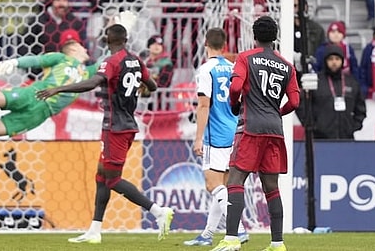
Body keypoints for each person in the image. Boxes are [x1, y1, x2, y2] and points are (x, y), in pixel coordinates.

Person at [36, 24, 175, 244]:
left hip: (115, 128)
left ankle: (158, 211)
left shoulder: (111, 62)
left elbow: (93, 83)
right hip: (126, 124)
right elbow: (153, 86)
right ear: (126, 39)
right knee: (101, 176)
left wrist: (59, 89)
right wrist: (134, 84)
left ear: (108, 40)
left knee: (112, 181)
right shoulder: (136, 61)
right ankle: (94, 230)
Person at [213, 16, 300, 251]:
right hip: (275, 130)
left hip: (251, 126)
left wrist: (234, 105)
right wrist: (276, 113)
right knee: (271, 186)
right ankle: (277, 243)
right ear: (275, 36)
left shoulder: (245, 57)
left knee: (235, 179)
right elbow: (294, 101)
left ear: (254, 35)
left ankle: (231, 238)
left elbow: (235, 88)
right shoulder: (287, 65)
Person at [0, 29, 96, 137]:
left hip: (40, 114)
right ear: (73, 48)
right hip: (33, 95)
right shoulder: (61, 58)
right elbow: (36, 60)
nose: (85, 49)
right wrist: (15, 62)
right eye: (82, 46)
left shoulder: (87, 72)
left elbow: (107, 60)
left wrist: (116, 31)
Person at [184, 28, 249, 246]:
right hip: (234, 132)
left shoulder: (206, 70)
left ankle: (238, 229)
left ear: (205, 45)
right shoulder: (232, 67)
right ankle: (208, 234)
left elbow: (203, 106)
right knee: (223, 185)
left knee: (213, 185)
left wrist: (198, 138)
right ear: (223, 46)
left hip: (216, 134)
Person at [299, 44, 366, 140]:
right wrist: (312, 125)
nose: (334, 62)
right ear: (325, 61)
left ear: (342, 61)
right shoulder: (316, 81)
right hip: (320, 139)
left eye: (337, 59)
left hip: (346, 138)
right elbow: (301, 104)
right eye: (330, 59)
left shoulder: (352, 82)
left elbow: (361, 108)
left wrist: (353, 127)